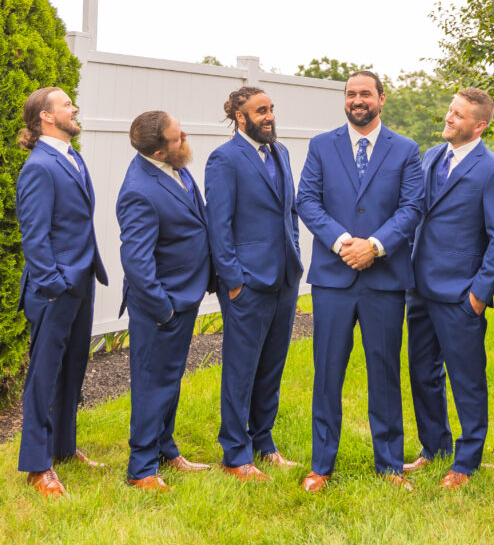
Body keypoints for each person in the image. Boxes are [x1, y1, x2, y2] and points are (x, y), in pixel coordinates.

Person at [296, 70, 423, 492]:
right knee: (327, 371)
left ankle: (389, 466)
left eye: (364, 93)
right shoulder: (321, 145)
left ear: (381, 99)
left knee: (384, 372)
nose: (356, 100)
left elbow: (412, 207)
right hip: (333, 279)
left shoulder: (405, 149)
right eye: (350, 94)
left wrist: (376, 245)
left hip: (384, 278)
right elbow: (307, 201)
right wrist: (343, 241)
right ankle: (321, 465)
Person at [405, 89, 494, 489]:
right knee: (422, 372)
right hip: (419, 287)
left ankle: (466, 462)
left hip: (460, 295)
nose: (449, 117)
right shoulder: (432, 155)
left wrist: (479, 294)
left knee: (466, 379)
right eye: (450, 110)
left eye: (459, 114)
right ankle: (433, 447)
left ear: (479, 125)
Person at [206, 87, 303, 482]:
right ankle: (235, 453)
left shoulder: (280, 153)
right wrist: (233, 281)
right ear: (240, 117)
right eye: (260, 111)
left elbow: (289, 211)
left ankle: (263, 443)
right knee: (241, 370)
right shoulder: (224, 159)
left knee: (271, 367)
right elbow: (219, 225)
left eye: (271, 109)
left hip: (285, 278)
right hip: (246, 283)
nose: (269, 116)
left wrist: (294, 254)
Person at [15, 87, 108, 497]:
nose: (75, 108)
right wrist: (54, 285)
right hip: (55, 288)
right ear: (47, 118)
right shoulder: (38, 167)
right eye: (67, 105)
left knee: (73, 369)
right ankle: (38, 467)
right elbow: (34, 238)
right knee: (44, 376)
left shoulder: (72, 157)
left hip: (81, 281)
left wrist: (81, 279)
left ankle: (65, 449)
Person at [116, 111, 215, 491]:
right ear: (158, 151)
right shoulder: (139, 190)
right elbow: (136, 260)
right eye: (177, 137)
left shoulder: (176, 166)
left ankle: (165, 449)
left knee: (170, 380)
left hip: (184, 296)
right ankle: (140, 469)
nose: (184, 136)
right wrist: (163, 308)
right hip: (161, 305)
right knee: (152, 383)